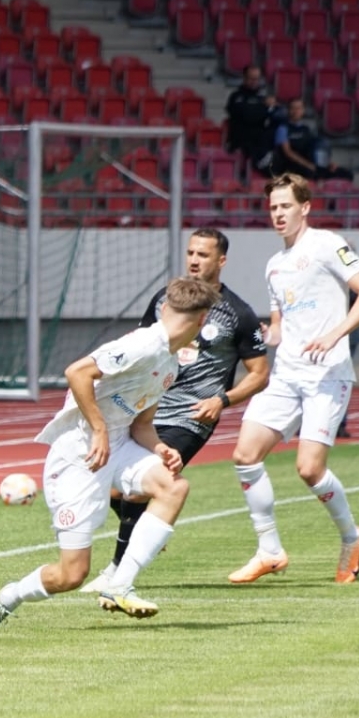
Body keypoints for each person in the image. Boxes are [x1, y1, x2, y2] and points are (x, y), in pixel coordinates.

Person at [0, 277, 223, 627]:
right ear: (202, 319)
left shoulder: (169, 363)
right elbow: (77, 373)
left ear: (165, 308)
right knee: (71, 575)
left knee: (173, 486)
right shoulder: (142, 345)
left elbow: (142, 424)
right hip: (80, 454)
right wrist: (99, 429)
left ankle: (119, 585)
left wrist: (160, 447)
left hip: (118, 445)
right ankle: (8, 597)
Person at [90, 229, 270, 591]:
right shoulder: (165, 299)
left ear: (221, 261)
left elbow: (260, 374)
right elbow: (140, 345)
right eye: (191, 253)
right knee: (112, 489)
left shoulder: (238, 313)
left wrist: (221, 400)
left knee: (142, 490)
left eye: (203, 254)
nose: (194, 260)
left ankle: (116, 573)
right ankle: (151, 529)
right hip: (147, 409)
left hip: (191, 417)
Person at [227, 175, 359, 586]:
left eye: (286, 206)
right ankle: (269, 550)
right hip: (286, 374)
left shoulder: (328, 244)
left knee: (309, 469)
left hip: (327, 375)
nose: (278, 214)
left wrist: (335, 334)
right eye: (273, 207)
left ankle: (351, 536)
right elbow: (280, 325)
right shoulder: (274, 265)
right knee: (245, 455)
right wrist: (268, 334)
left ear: (305, 207)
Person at [225, 65, 278, 170]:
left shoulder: (263, 98)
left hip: (260, 142)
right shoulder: (236, 97)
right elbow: (248, 116)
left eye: (256, 79)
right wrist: (266, 109)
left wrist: (267, 109)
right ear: (244, 78)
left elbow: (275, 115)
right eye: (251, 78)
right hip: (242, 141)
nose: (254, 82)